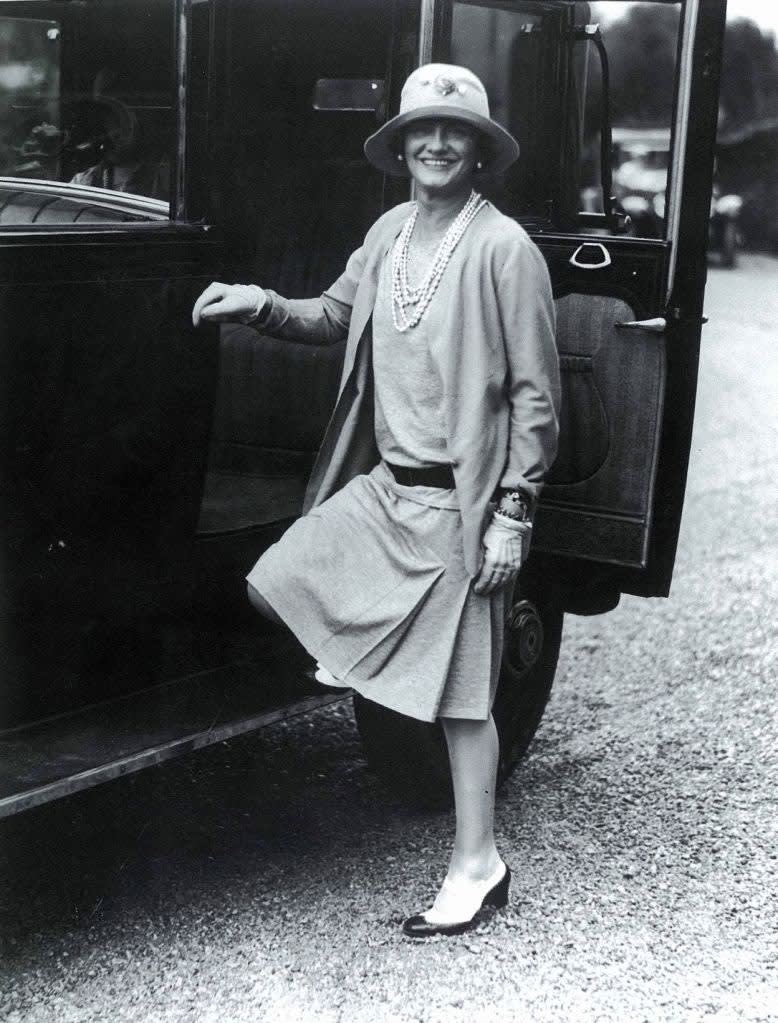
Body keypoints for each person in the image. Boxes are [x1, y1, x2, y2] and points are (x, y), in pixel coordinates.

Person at [192, 64, 560, 938]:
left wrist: (515, 512)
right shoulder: (390, 230)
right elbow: (332, 314)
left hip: (463, 508)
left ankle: (479, 863)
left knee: (465, 704)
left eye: (455, 131)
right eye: (421, 130)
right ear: (399, 146)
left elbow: (538, 397)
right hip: (389, 491)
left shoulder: (504, 248)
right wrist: (261, 304)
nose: (436, 143)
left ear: (478, 151)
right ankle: (372, 654)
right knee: (276, 577)